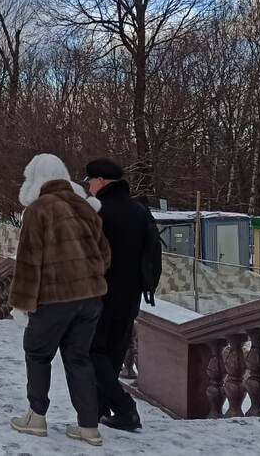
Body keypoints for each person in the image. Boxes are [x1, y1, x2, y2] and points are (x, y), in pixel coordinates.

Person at [8, 154, 111, 447]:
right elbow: (105, 256)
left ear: (36, 178)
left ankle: (36, 417)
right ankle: (89, 426)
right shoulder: (85, 207)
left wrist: (21, 304)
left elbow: (29, 263)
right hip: (90, 298)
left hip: (55, 299)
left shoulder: (38, 209)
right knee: (79, 358)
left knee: (37, 353)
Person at [84, 157, 162, 432]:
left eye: (90, 181)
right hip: (131, 295)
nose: (88, 187)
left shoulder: (96, 212)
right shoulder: (140, 211)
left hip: (100, 293)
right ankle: (100, 409)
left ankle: (124, 408)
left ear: (100, 181)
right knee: (114, 353)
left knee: (91, 350)